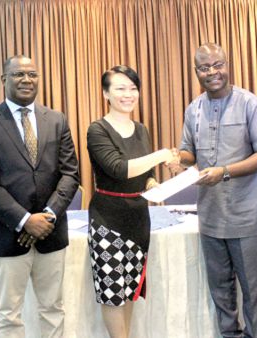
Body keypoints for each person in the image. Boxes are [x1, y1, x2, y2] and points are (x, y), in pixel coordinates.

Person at [168, 43, 257, 338]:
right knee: (221, 291)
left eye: (218, 65)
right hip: (211, 217)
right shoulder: (194, 108)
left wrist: (225, 172)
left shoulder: (251, 104)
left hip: (246, 217)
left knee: (253, 291)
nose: (212, 72)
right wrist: (179, 160)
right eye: (204, 68)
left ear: (228, 65)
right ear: (196, 72)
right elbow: (188, 150)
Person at [0, 55, 80, 338]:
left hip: (51, 233)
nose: (27, 80)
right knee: (9, 315)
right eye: (18, 74)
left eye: (32, 74)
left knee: (53, 309)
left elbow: (70, 175)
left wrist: (47, 216)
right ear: (4, 80)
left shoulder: (56, 119)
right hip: (7, 234)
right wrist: (25, 220)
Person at [87, 65, 176, 338]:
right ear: (106, 93)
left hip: (138, 220)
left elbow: (145, 175)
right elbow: (119, 169)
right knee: (112, 293)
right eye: (120, 88)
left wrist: (153, 185)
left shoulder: (141, 129)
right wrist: (163, 154)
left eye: (133, 88)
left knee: (129, 290)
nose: (128, 94)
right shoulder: (97, 130)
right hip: (108, 222)